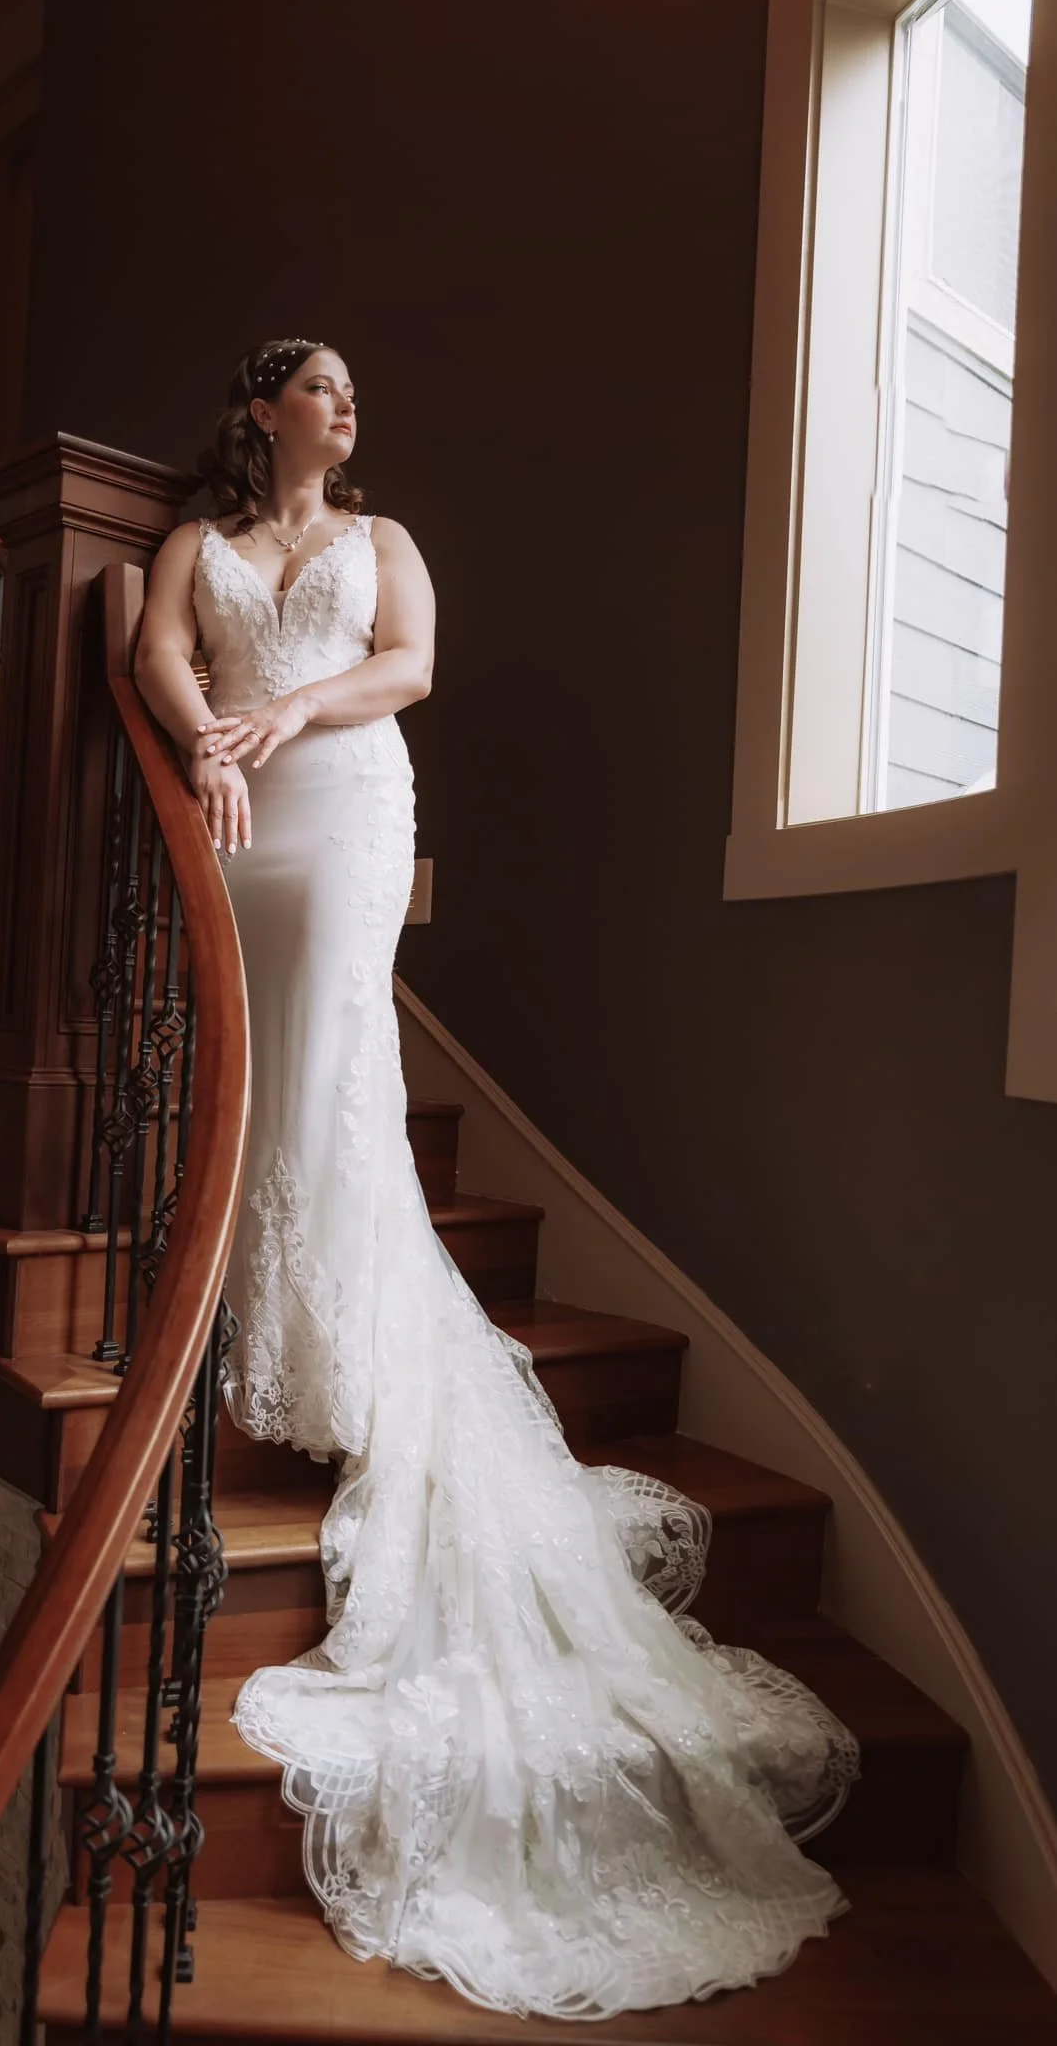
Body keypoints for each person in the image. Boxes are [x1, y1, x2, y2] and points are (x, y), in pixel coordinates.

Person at [133, 337, 861, 2023]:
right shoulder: (191, 543)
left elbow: (411, 671)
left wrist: (293, 711)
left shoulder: (384, 544)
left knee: (331, 1057)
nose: (348, 406)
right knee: (254, 1060)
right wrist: (210, 745)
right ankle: (263, 1319)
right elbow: (163, 654)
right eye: (321, 386)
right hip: (242, 816)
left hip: (350, 803)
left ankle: (342, 1351)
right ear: (258, 408)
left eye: (354, 393)